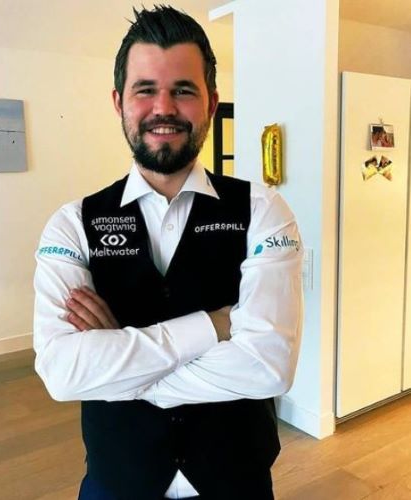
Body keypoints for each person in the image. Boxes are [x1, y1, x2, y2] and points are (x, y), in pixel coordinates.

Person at [33, 5, 303, 500]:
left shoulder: (263, 211)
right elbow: (63, 372)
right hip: (117, 482)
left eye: (183, 90)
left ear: (211, 102)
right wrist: (215, 326)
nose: (164, 108)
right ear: (119, 101)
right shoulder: (72, 224)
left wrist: (118, 365)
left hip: (237, 480)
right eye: (145, 90)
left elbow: (269, 365)